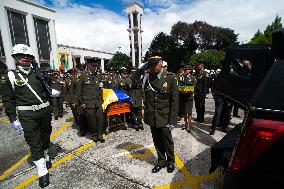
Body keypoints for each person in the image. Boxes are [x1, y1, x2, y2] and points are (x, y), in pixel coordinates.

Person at [1, 44, 60, 188]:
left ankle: (45, 156)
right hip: (27, 114)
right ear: (15, 57)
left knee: (45, 137)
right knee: (34, 142)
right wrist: (13, 119)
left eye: (27, 56)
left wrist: (52, 91)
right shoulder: (10, 76)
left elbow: (46, 90)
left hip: (45, 111)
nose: (25, 58)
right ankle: (42, 171)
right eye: (21, 56)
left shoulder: (39, 74)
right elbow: (8, 99)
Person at [138, 54, 178, 173]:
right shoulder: (147, 77)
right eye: (152, 64)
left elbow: (174, 101)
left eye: (156, 63)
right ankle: (161, 161)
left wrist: (172, 121)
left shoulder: (170, 77)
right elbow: (134, 80)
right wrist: (142, 68)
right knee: (157, 141)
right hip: (152, 116)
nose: (154, 66)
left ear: (161, 63)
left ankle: (170, 161)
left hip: (165, 117)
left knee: (167, 141)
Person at [74, 61, 105, 143]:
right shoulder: (83, 75)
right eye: (93, 65)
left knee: (100, 119)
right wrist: (81, 103)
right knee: (92, 120)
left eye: (96, 66)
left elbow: (100, 89)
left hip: (98, 102)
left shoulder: (98, 76)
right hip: (88, 102)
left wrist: (101, 99)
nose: (95, 67)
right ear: (88, 65)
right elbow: (78, 91)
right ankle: (94, 134)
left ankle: (99, 134)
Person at [178, 65, 196, 132]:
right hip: (183, 96)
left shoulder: (193, 77)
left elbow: (194, 86)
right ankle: (186, 124)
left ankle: (189, 125)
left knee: (189, 112)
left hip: (189, 97)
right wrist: (182, 90)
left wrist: (188, 89)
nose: (186, 70)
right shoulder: (181, 77)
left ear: (190, 70)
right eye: (185, 69)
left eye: (187, 69)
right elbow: (179, 85)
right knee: (184, 112)